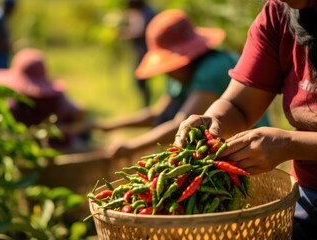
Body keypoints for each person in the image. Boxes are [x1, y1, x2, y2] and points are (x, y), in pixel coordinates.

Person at [173, 1, 317, 239]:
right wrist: (212, 121)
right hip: (309, 193)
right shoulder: (278, 14)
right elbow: (238, 105)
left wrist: (292, 144)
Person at [92, 9, 270, 159]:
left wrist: (132, 146)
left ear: (186, 58)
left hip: (246, 147)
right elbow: (158, 113)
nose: (167, 72)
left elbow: (181, 123)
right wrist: (107, 126)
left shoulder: (213, 67)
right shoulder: (182, 74)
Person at [0, 48, 92, 154]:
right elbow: (78, 112)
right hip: (57, 147)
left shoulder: (11, 105)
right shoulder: (55, 99)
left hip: (34, 150)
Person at [118, 0, 157, 107]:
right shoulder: (140, 11)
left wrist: (125, 34)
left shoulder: (147, 13)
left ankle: (147, 105)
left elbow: (142, 32)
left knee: (141, 80)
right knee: (140, 81)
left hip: (146, 53)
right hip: (143, 52)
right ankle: (146, 104)